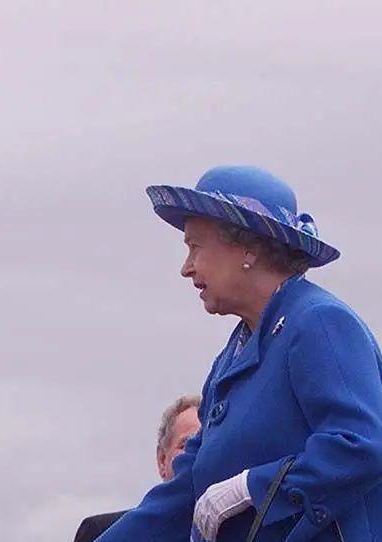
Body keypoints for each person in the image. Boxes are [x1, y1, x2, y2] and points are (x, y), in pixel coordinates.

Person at [96, 166, 382, 542]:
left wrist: (252, 487)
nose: (186, 268)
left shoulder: (319, 322)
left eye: (194, 246)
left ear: (248, 246)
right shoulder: (233, 354)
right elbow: (185, 490)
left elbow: (361, 444)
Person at [75, 395, 201, 542]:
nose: (197, 454)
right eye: (186, 445)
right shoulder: (102, 530)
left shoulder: (230, 531)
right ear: (162, 459)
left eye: (206, 444)